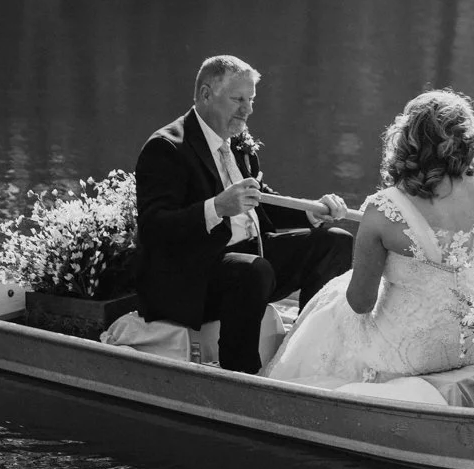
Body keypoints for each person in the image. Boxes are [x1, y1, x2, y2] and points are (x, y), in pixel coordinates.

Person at [262, 88, 474, 390]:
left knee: (334, 301)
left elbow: (361, 303)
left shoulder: (383, 209)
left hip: (410, 355)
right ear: (467, 140)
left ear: (406, 141)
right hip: (472, 344)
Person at [134, 53, 353, 374]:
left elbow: (260, 202)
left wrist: (312, 212)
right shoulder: (166, 147)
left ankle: (307, 355)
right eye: (238, 99)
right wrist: (217, 207)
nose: (247, 110)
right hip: (191, 277)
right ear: (206, 94)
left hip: (249, 260)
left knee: (336, 242)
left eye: (251, 100)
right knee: (252, 271)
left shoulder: (237, 142)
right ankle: (241, 376)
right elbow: (154, 228)